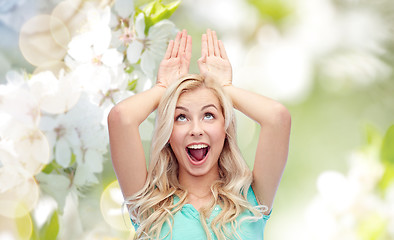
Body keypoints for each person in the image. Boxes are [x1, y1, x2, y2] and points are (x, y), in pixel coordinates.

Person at [108, 29, 291, 240]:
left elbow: (278, 118)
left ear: (225, 129)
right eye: (181, 118)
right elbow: (121, 118)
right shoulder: (150, 205)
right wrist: (163, 88)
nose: (196, 130)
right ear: (168, 133)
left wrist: (224, 88)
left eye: (209, 115)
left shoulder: (251, 200)